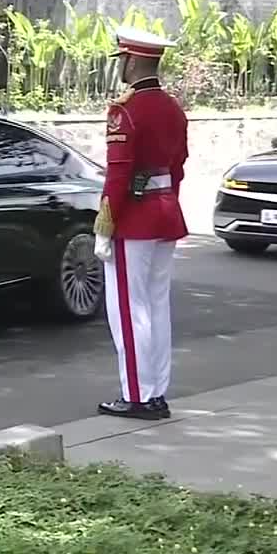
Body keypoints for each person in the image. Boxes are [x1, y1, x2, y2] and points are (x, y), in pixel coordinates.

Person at [93, 26, 189, 421]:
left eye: (122, 61)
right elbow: (179, 167)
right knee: (156, 306)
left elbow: (118, 176)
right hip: (165, 212)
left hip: (133, 219)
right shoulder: (174, 108)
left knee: (130, 312)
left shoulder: (125, 110)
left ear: (132, 61)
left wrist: (104, 227)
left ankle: (136, 395)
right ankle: (157, 393)